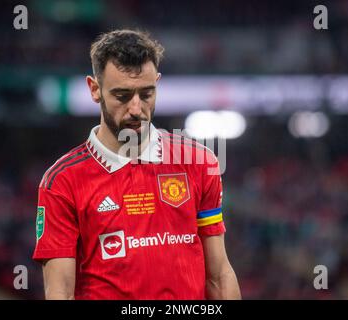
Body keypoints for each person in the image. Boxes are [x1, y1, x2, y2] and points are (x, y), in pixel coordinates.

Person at [32, 29, 241, 300]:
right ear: (94, 90)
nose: (135, 108)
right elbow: (60, 293)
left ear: (157, 83)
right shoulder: (62, 181)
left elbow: (219, 275)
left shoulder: (199, 162)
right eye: (122, 95)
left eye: (146, 94)